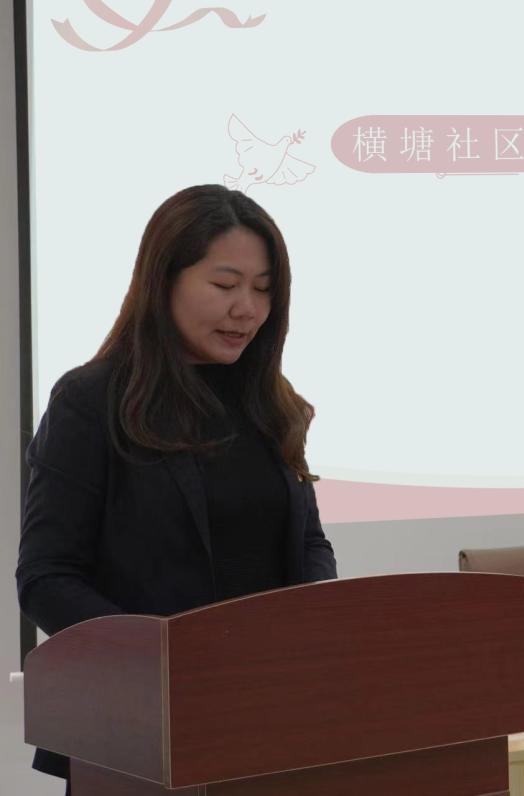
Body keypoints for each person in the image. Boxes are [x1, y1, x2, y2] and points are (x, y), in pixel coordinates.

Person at [15, 185, 338, 793]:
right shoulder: (91, 401)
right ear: (163, 279)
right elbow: (46, 578)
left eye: (264, 289)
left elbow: (308, 543)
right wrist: (165, 659)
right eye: (225, 285)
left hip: (273, 719)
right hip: (137, 731)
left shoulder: (271, 402)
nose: (247, 308)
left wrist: (317, 623)